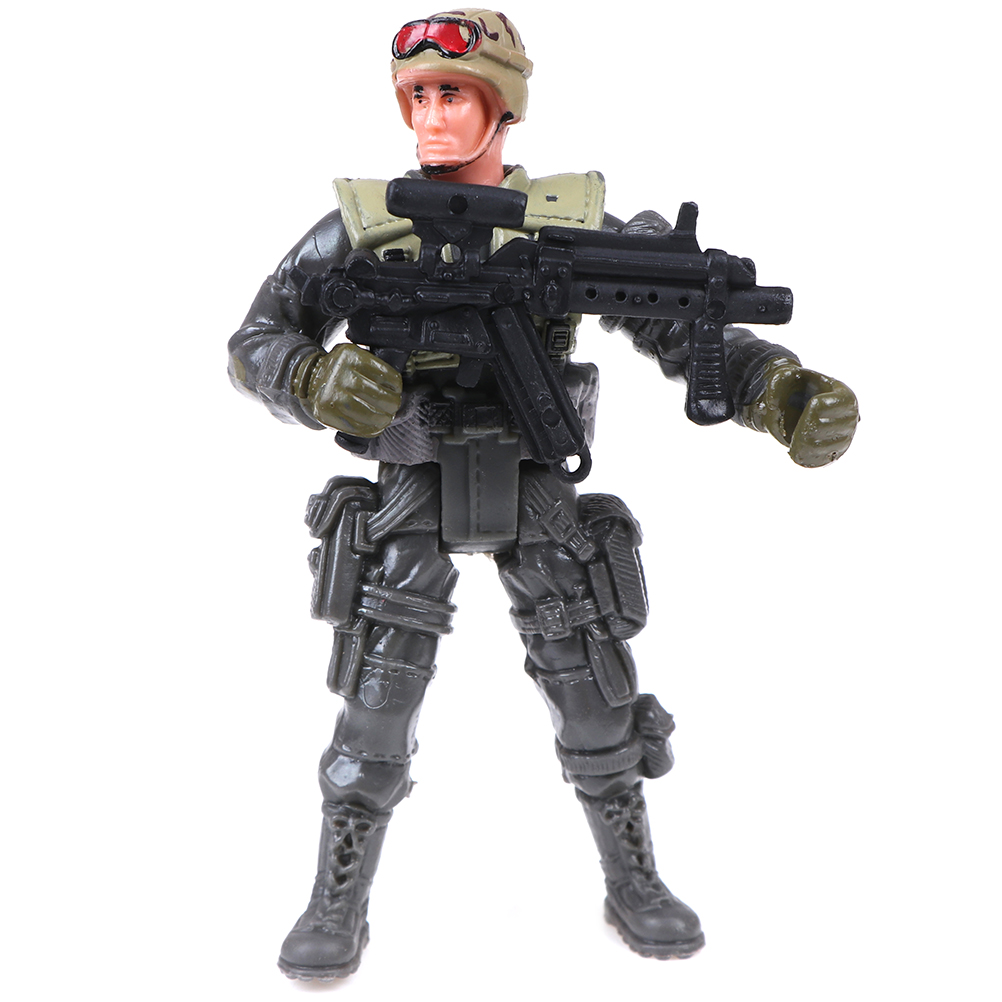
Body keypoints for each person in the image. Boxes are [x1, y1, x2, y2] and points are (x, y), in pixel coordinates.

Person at [228, 9, 859, 981]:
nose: (432, 116)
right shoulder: (361, 228)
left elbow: (672, 318)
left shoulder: (564, 227)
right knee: (378, 701)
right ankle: (336, 897)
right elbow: (255, 340)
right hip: (412, 482)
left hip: (534, 479)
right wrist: (311, 378)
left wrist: (778, 392)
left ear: (504, 106)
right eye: (418, 96)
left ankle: (632, 878)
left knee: (592, 687)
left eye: (454, 93)